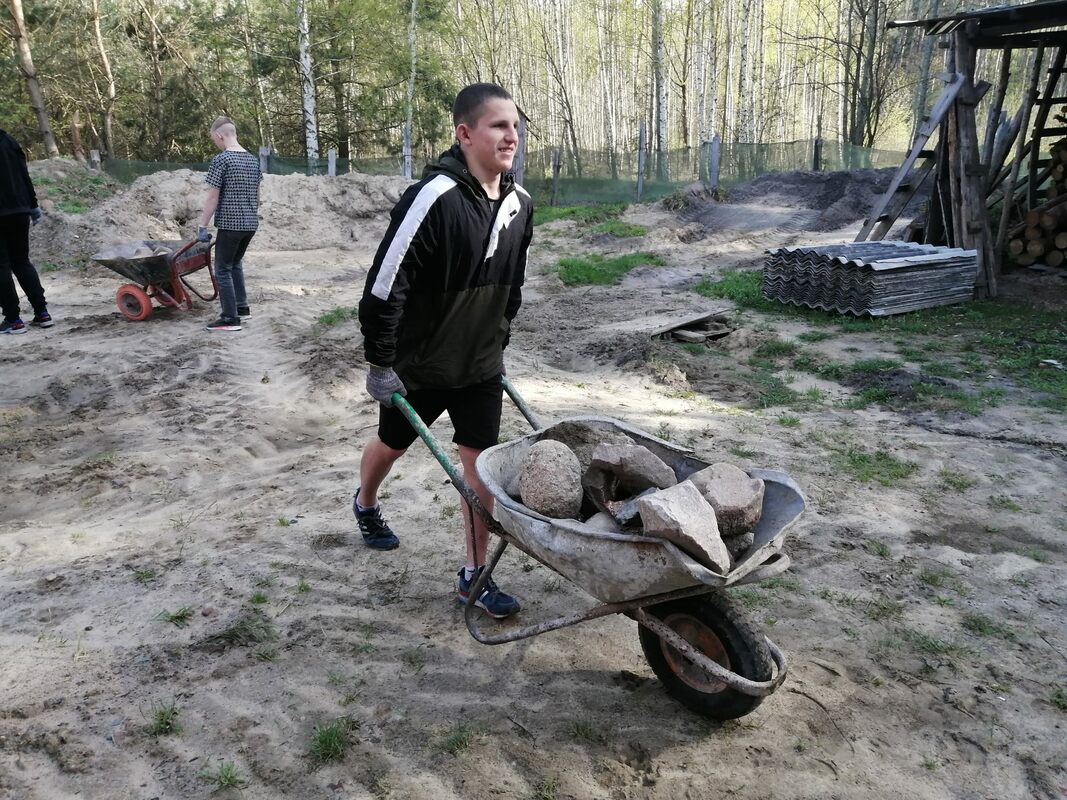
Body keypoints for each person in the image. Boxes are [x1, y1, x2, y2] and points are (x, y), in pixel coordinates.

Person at [354, 83, 533, 619]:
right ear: (464, 133)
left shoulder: (521, 205)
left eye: (516, 127)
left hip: (479, 365)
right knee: (391, 446)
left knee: (478, 471)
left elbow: (513, 285)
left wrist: (496, 340)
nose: (511, 135)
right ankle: (365, 502)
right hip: (421, 366)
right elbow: (385, 286)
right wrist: (380, 362)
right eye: (499, 125)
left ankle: (474, 575)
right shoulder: (432, 198)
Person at [197, 116, 261, 332]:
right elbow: (257, 194)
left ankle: (229, 318)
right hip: (250, 224)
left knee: (222, 269)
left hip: (230, 224)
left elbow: (212, 197)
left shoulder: (222, 160)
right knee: (235, 264)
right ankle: (242, 308)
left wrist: (202, 226)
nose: (215, 143)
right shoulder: (253, 160)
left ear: (220, 135)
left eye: (214, 140)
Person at [0, 128, 53, 335]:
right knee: (21, 261)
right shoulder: (9, 140)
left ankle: (13, 320)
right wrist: (32, 205)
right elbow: (24, 175)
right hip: (20, 210)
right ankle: (42, 313)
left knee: (1, 266)